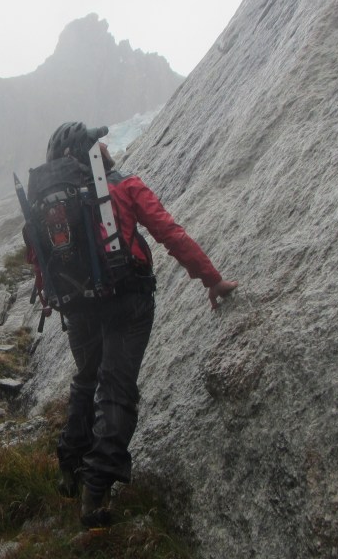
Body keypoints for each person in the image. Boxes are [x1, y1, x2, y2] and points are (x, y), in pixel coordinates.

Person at [41, 121, 238, 528]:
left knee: (85, 380)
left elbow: (38, 260)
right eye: (99, 141)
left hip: (77, 305)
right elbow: (169, 233)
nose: (106, 145)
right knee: (115, 387)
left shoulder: (49, 203)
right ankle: (95, 496)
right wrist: (211, 279)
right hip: (127, 300)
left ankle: (68, 472)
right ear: (93, 152)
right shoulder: (125, 186)